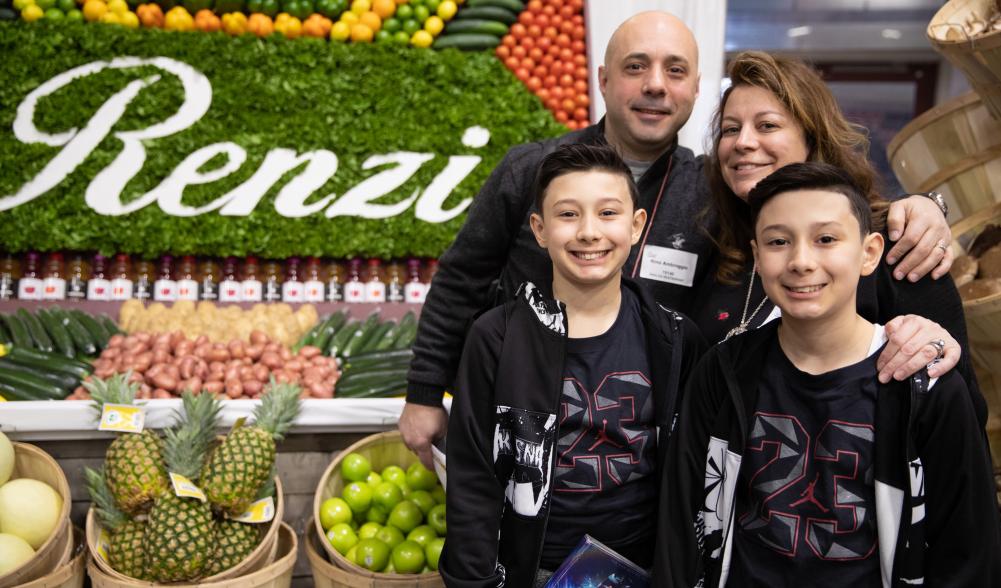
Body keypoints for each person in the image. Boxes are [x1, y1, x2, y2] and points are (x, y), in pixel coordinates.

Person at [401, 13, 953, 469]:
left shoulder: (711, 193)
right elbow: (460, 280)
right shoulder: (531, 171)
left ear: (693, 89)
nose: (655, 85)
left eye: (675, 70)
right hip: (519, 415)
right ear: (604, 80)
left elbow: (829, 211)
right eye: (635, 67)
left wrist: (927, 208)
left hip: (646, 439)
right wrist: (425, 393)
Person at [656, 162, 1001, 587]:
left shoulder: (921, 384)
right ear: (758, 257)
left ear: (869, 252)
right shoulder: (724, 372)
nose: (801, 261)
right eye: (779, 241)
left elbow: (969, 551)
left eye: (826, 239)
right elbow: (680, 519)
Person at [440, 143, 706, 587]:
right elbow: (471, 479)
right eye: (568, 215)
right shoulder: (497, 338)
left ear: (636, 225)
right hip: (532, 571)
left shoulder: (675, 339)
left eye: (607, 213)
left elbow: (691, 475)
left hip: (643, 569)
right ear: (539, 230)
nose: (588, 232)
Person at [687, 51, 985, 425]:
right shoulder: (722, 247)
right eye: (731, 129)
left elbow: (962, 415)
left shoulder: (896, 244)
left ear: (812, 138)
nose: (743, 142)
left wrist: (936, 351)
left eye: (767, 125)